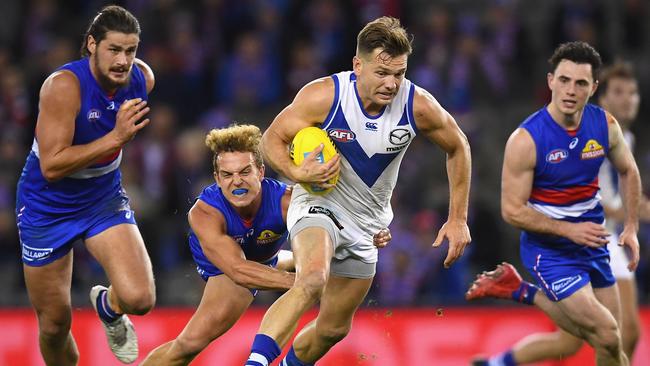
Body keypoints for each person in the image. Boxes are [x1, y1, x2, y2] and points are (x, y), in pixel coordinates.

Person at [245, 16, 472, 366]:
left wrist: (458, 218)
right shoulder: (324, 95)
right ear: (358, 65)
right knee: (312, 278)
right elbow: (272, 138)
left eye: (399, 74)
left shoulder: (418, 105)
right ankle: (255, 362)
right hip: (318, 202)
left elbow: (458, 146)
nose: (392, 83)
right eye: (382, 73)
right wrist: (295, 171)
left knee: (333, 328)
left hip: (368, 224)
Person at [140, 124, 391, 365]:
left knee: (325, 291)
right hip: (228, 271)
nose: (236, 181)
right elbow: (239, 271)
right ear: (216, 178)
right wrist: (304, 284)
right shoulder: (204, 213)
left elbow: (336, 220)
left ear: (260, 172)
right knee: (189, 345)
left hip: (268, 258)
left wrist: (370, 233)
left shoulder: (287, 200)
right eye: (227, 175)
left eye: (245, 172)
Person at [466, 42, 642, 366]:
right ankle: (526, 293)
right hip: (549, 252)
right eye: (564, 80)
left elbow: (629, 170)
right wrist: (568, 231)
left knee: (609, 342)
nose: (570, 90)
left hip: (593, 243)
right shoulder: (526, 140)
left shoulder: (605, 125)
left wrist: (631, 226)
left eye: (580, 83)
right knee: (608, 332)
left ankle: (517, 298)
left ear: (593, 87)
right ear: (550, 81)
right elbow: (511, 210)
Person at [15, 6, 155, 365]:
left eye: (131, 50)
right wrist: (116, 137)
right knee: (54, 324)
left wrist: (114, 141)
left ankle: (109, 308)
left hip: (101, 197)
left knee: (140, 299)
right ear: (91, 44)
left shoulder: (142, 79)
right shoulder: (63, 87)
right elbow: (51, 166)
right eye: (114, 50)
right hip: (47, 206)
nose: (123, 60)